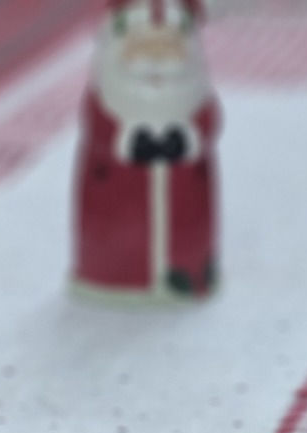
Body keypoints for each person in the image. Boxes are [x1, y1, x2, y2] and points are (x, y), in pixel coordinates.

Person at [73, 0, 221, 300]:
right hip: (116, 192)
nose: (156, 59)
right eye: (142, 47)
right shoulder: (105, 98)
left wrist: (188, 136)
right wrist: (125, 139)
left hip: (186, 193)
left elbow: (208, 120)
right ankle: (111, 280)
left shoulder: (195, 96)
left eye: (169, 47)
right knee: (119, 246)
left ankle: (189, 277)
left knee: (184, 235)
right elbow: (98, 125)